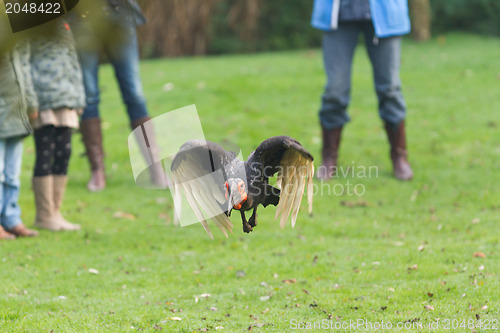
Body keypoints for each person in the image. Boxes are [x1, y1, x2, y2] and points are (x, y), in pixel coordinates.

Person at [311, 0, 414, 181]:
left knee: (390, 88)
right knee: (335, 91)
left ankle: (399, 156)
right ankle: (329, 157)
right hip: (337, 14)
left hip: (384, 11)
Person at [72, 0, 167, 191]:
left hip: (120, 17)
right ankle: (97, 170)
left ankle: (155, 166)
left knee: (134, 93)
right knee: (89, 94)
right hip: (82, 20)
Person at [29, 18, 86, 231]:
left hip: (67, 99)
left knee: (64, 152)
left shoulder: (64, 21)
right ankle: (44, 214)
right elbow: (25, 61)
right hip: (44, 100)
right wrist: (31, 99)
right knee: (46, 152)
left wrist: (80, 98)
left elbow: (73, 62)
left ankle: (55, 212)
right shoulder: (30, 16)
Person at [0, 38, 39, 239]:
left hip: (16, 112)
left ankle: (11, 219)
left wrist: (31, 103)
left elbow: (25, 68)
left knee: (12, 173)